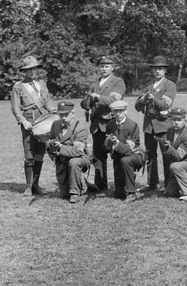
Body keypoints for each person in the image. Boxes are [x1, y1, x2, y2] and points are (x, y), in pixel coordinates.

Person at [11, 55, 57, 196]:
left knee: (39, 155)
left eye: (34, 69)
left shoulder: (42, 83)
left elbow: (46, 101)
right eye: (29, 69)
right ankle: (29, 186)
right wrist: (22, 120)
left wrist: (51, 109)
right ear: (24, 71)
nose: (32, 72)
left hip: (43, 120)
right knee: (29, 156)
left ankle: (36, 185)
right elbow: (15, 107)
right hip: (29, 121)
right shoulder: (18, 86)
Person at [80, 56, 126, 192]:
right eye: (101, 66)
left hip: (112, 123)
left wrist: (98, 97)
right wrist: (87, 101)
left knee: (117, 154)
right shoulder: (94, 84)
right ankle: (101, 185)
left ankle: (121, 186)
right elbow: (85, 103)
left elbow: (114, 100)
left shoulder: (117, 82)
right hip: (96, 125)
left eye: (107, 66)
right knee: (98, 157)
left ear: (113, 68)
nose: (104, 69)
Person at [135, 55, 176, 192]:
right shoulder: (148, 86)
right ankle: (152, 183)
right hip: (149, 126)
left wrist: (152, 99)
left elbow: (165, 105)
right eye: (155, 69)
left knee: (167, 155)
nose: (157, 71)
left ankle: (169, 185)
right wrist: (142, 100)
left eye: (160, 69)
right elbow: (137, 107)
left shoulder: (169, 85)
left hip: (163, 125)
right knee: (150, 155)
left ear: (165, 70)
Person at [46, 101, 91, 203]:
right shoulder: (55, 124)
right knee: (64, 194)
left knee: (74, 162)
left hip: (80, 158)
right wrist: (50, 144)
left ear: (73, 113)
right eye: (61, 115)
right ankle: (83, 184)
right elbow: (49, 140)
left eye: (66, 115)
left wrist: (60, 147)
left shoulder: (80, 127)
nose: (63, 118)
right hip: (62, 160)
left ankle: (75, 193)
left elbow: (77, 151)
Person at [160, 108, 187, 201]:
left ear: (185, 121)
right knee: (170, 192)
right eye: (174, 120)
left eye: (179, 120)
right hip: (181, 163)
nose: (176, 122)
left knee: (175, 166)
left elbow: (178, 156)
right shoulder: (170, 131)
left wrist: (168, 147)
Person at [106, 100, 144, 202]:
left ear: (126, 111)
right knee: (119, 194)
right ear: (112, 112)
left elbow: (128, 150)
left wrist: (116, 143)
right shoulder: (110, 125)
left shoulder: (133, 125)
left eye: (121, 111)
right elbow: (106, 148)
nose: (118, 114)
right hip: (118, 157)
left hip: (134, 155)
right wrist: (108, 142)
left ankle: (131, 193)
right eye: (115, 111)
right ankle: (129, 176)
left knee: (125, 160)